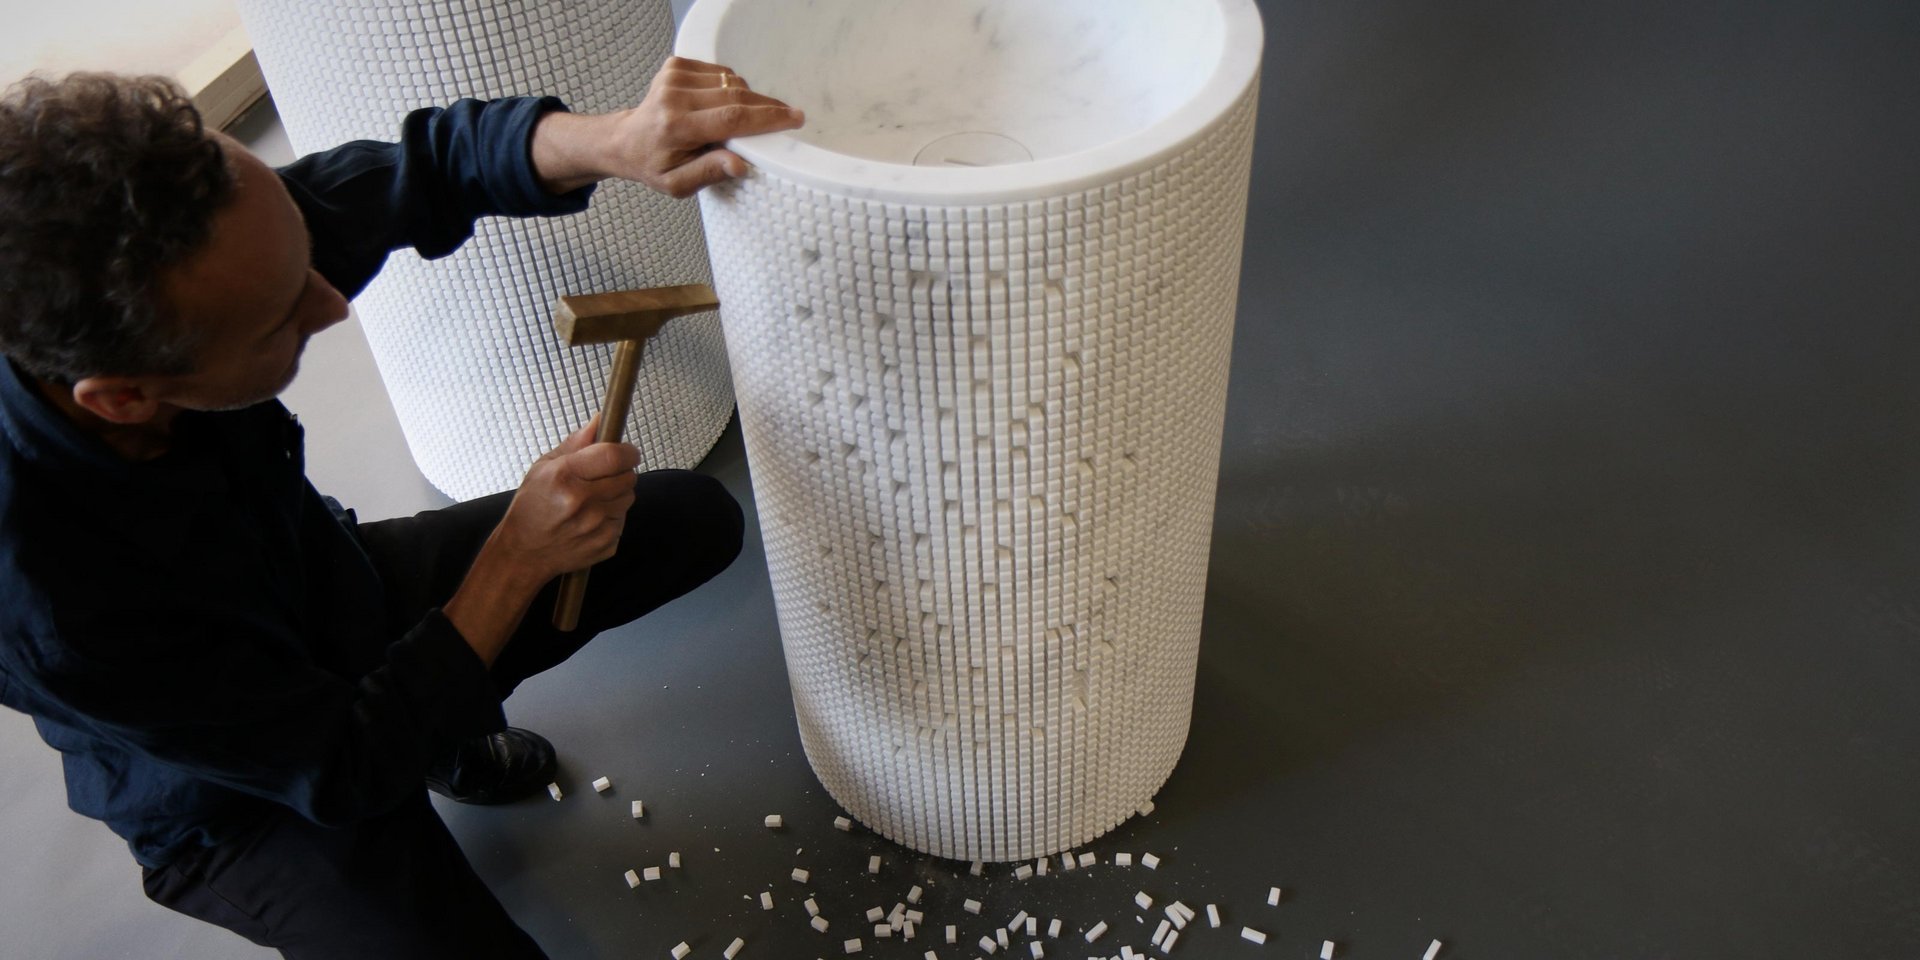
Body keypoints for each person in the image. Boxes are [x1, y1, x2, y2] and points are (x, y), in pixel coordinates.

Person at [0, 59, 801, 959]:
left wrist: (613, 139)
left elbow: (426, 170)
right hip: (245, 792)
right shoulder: (55, 605)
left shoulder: (191, 248)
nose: (331, 303)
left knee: (687, 520)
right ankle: (422, 728)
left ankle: (435, 723)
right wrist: (516, 559)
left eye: (303, 257)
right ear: (125, 398)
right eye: (283, 319)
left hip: (327, 592)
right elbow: (338, 767)